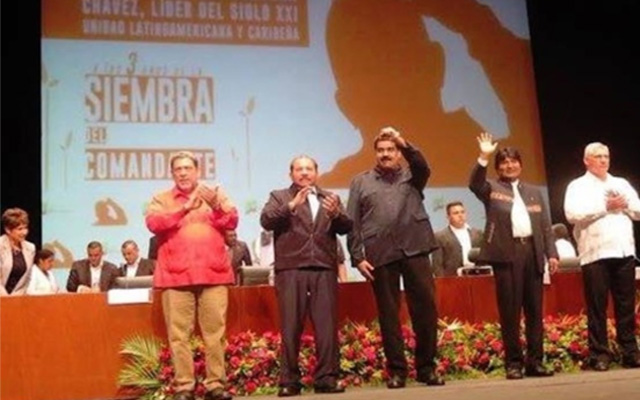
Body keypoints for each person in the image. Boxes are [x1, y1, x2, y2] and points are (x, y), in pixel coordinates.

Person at [347, 127, 444, 388]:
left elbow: (422, 164)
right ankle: (397, 371)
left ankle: (426, 368)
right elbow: (352, 221)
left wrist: (402, 140)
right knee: (389, 315)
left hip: (415, 247)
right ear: (375, 153)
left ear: (399, 153)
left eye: (391, 150)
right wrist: (357, 256)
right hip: (380, 252)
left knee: (425, 310)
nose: (386, 154)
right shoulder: (360, 181)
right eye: (381, 150)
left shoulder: (413, 175)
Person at [146, 151, 237, 400]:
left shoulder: (214, 194)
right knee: (178, 336)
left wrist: (216, 205)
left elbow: (232, 221)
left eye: (188, 168)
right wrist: (184, 209)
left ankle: (215, 385)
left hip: (213, 274)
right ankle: (184, 386)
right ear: (172, 174)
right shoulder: (162, 198)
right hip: (175, 276)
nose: (183, 173)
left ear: (197, 171)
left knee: (215, 334)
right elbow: (154, 224)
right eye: (178, 169)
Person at [469, 132, 558, 379]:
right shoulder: (491, 188)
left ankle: (535, 362)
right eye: (504, 163)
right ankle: (514, 363)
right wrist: (484, 156)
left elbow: (545, 226)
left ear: (520, 164)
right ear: (498, 167)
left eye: (514, 161)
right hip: (506, 255)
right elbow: (474, 184)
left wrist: (551, 253)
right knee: (510, 312)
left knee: (534, 312)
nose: (510, 166)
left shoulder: (534, 191)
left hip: (532, 252)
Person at [260, 155, 352, 397]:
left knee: (326, 327)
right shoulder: (279, 196)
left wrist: (336, 214)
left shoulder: (329, 198)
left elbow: (346, 227)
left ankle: (327, 378)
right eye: (299, 169)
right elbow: (266, 220)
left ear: (316, 173)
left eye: (308, 169)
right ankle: (289, 381)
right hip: (292, 268)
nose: (304, 173)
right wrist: (291, 205)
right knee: (291, 325)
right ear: (291, 174)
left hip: (323, 267)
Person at [563, 142, 640, 370]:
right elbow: (572, 214)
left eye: (606, 156)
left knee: (626, 305)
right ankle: (599, 354)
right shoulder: (577, 186)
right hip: (595, 253)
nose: (603, 160)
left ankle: (630, 352)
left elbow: (638, 210)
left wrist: (625, 205)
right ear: (586, 161)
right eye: (598, 156)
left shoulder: (621, 183)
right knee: (597, 306)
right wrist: (605, 206)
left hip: (624, 251)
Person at [431, 201, 484, 277]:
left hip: (476, 276)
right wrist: (442, 282)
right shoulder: (440, 236)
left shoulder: (477, 234)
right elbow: (437, 265)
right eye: (456, 213)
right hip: (452, 279)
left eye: (462, 212)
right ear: (448, 217)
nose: (460, 215)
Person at [0, 208, 35, 296]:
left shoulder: (30, 248)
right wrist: (5, 299)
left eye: (25, 228)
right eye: (20, 229)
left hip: (17, 298)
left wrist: (15, 298)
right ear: (8, 230)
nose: (24, 232)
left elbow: (26, 280)